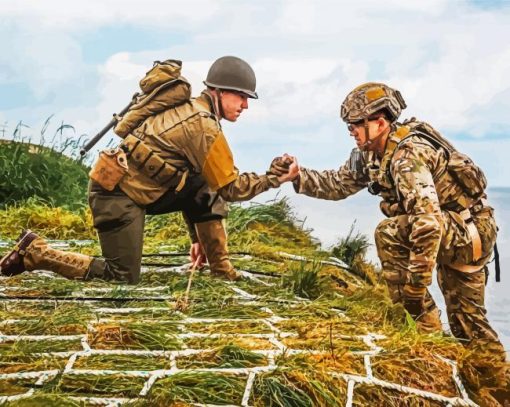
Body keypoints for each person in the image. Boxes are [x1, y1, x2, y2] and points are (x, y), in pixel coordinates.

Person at [277, 82, 508, 397]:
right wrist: (298, 177)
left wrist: (414, 287)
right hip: (452, 232)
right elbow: (337, 184)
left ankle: (426, 328)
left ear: (380, 123)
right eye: (350, 125)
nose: (352, 131)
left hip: (467, 236)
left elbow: (426, 222)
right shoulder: (370, 155)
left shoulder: (407, 157)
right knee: (468, 324)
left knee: (392, 235)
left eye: (357, 125)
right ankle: (435, 343)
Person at [1, 56, 288, 284]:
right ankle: (35, 253)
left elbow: (206, 186)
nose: (246, 105)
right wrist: (274, 178)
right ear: (219, 92)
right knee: (121, 276)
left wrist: (197, 238)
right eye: (241, 97)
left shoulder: (196, 112)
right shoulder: (202, 125)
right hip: (116, 196)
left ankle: (220, 268)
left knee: (206, 182)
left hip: (146, 191)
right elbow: (232, 188)